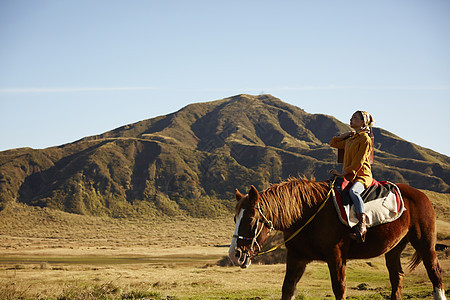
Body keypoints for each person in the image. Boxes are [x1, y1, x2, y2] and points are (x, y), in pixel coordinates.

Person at [329, 110, 375, 242]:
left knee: (354, 192)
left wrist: (343, 173)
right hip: (350, 174)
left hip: (362, 175)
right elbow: (333, 143)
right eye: (351, 117)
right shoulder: (351, 139)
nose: (351, 119)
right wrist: (346, 134)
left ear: (362, 122)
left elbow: (359, 162)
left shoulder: (365, 139)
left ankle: (362, 224)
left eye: (355, 118)